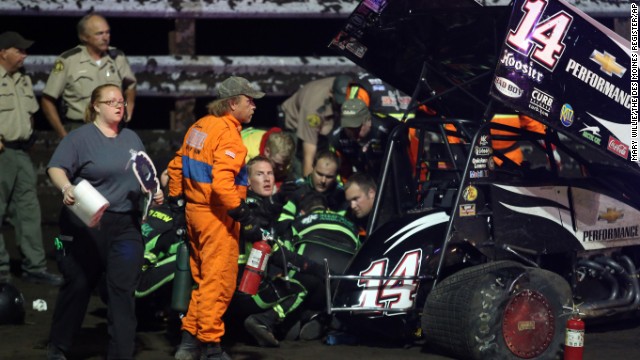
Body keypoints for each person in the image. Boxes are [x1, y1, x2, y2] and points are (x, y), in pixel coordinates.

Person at [45, 83, 163, 360]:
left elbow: (145, 176)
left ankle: (121, 354)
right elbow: (56, 167)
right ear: (96, 106)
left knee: (122, 289)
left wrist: (155, 192)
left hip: (126, 225)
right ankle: (58, 346)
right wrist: (66, 188)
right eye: (111, 102)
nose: (119, 106)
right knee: (78, 283)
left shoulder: (132, 138)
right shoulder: (79, 138)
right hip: (86, 224)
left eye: (121, 101)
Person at [167, 76, 265, 360]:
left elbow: (176, 166)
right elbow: (223, 184)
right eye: (249, 101)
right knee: (218, 283)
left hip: (195, 213)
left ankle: (188, 343)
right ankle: (211, 348)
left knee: (204, 281)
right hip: (216, 217)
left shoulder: (199, 126)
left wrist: (177, 202)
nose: (254, 106)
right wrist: (242, 214)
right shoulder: (228, 134)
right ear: (233, 103)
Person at [243, 192, 360, 347]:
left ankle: (267, 320)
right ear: (327, 209)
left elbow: (286, 256)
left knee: (295, 285)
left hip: (311, 265)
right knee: (336, 297)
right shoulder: (350, 223)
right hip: (341, 278)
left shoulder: (298, 221)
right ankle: (323, 319)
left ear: (303, 211)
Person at [0, 31, 63, 286]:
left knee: (28, 210)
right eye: (19, 50)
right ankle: (2, 270)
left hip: (21, 151)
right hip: (2, 152)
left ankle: (34, 266)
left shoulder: (22, 78)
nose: (24, 54)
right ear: (3, 52)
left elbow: (30, 113)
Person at [41, 13, 137, 138]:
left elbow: (130, 85)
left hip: (113, 128)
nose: (105, 37)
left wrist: (128, 111)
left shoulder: (117, 57)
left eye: (107, 32)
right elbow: (47, 99)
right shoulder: (68, 60)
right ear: (84, 37)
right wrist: (62, 134)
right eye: (99, 33)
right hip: (81, 127)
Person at [279, 75, 352, 177]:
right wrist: (309, 188)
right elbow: (308, 155)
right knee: (299, 165)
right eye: (341, 103)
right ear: (331, 93)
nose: (344, 106)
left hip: (330, 120)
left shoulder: (350, 88)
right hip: (295, 123)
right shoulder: (314, 109)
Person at [276, 150, 346, 234]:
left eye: (329, 177)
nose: (323, 180)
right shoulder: (297, 188)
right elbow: (283, 223)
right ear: (312, 167)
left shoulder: (341, 196)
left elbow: (342, 228)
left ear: (336, 175)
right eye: (319, 174)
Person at [330, 98, 397, 179]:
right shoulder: (337, 138)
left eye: (356, 128)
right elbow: (341, 171)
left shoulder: (388, 131)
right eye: (348, 128)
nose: (352, 133)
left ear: (368, 120)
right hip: (360, 181)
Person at [344, 172, 377, 238]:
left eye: (355, 199)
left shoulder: (389, 218)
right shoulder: (350, 219)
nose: (352, 206)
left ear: (371, 193)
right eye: (349, 201)